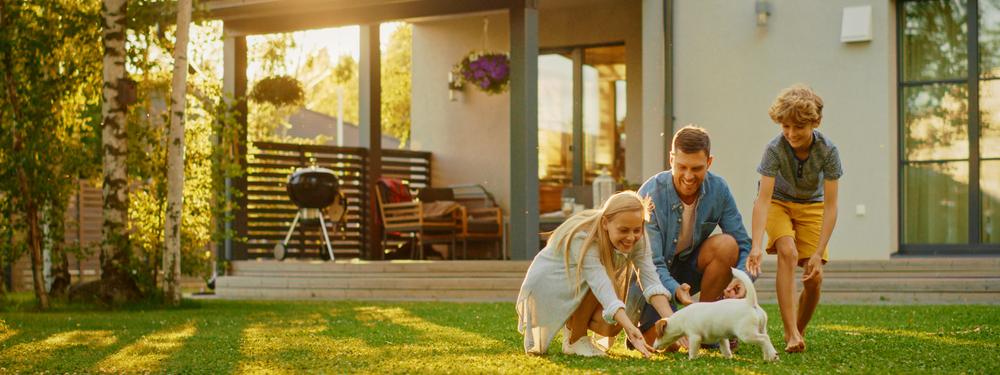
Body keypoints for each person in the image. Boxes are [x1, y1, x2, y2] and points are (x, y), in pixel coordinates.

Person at [628, 125, 753, 347]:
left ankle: (707, 327)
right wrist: (675, 290)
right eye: (681, 166)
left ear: (709, 163)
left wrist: (742, 279)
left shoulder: (719, 190)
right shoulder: (650, 193)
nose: (688, 176)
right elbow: (652, 263)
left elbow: (743, 244)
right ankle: (645, 329)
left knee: (727, 245)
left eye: (696, 168)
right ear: (671, 159)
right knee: (670, 345)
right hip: (651, 277)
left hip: (689, 268)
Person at [745, 84, 843, 353]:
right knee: (787, 251)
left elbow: (831, 205)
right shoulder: (775, 149)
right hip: (778, 203)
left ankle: (798, 332)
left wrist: (819, 251)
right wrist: (756, 245)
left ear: (815, 122)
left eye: (798, 127)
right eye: (785, 126)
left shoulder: (828, 151)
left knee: (814, 278)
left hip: (812, 206)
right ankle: (790, 333)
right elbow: (763, 199)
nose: (790, 133)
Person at [516, 191, 673, 357]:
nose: (631, 237)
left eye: (637, 229)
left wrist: (676, 324)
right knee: (604, 291)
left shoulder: (637, 238)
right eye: (624, 230)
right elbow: (599, 283)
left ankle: (574, 333)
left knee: (612, 325)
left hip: (580, 285)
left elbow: (651, 281)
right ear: (605, 223)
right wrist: (630, 327)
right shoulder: (584, 237)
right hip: (549, 285)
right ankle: (576, 340)